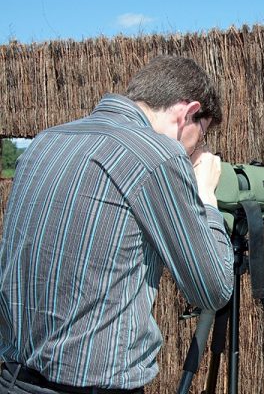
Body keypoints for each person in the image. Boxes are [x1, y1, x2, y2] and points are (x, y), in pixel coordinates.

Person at [0, 55, 234, 393]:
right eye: (202, 135)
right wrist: (206, 196)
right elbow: (212, 289)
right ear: (187, 113)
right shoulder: (159, 156)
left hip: (13, 379)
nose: (197, 149)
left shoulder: (43, 143)